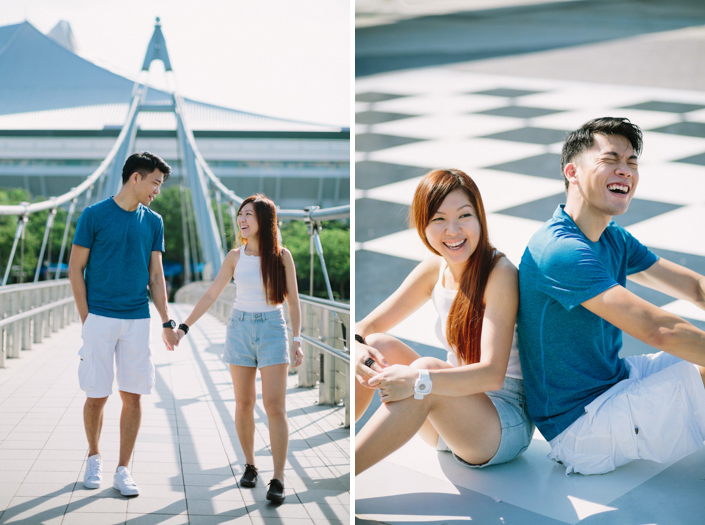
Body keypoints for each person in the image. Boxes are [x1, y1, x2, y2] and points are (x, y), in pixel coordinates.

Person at [517, 117, 705, 476]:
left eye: (632, 162)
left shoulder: (611, 236)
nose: (625, 171)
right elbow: (658, 329)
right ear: (572, 171)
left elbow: (695, 288)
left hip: (614, 379)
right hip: (580, 426)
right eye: (610, 160)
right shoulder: (560, 250)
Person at [355, 169, 534, 476]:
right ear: (423, 226)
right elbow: (365, 326)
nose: (453, 230)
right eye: (438, 219)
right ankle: (348, 436)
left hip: (502, 424)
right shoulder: (435, 268)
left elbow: (492, 376)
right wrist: (358, 349)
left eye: (464, 216)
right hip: (453, 414)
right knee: (377, 345)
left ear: (480, 219)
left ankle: (348, 476)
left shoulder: (499, 273)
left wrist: (419, 380)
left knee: (427, 368)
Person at [174, 193, 303, 503]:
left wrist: (297, 339)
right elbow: (210, 295)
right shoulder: (234, 256)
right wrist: (184, 327)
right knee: (244, 403)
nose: (242, 220)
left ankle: (279, 477)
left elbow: (294, 302)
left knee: (275, 406)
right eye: (240, 214)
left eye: (249, 215)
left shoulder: (282, 256)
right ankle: (250, 465)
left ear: (264, 221)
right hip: (239, 328)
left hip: (273, 328)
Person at [69, 151, 177, 497]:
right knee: (96, 396)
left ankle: (123, 469)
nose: (157, 190)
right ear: (135, 178)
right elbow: (75, 269)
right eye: (155, 182)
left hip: (136, 319)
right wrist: (87, 319)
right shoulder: (94, 215)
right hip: (99, 317)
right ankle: (94, 458)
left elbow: (156, 276)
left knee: (134, 395)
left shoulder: (154, 221)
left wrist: (166, 321)